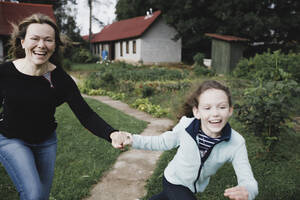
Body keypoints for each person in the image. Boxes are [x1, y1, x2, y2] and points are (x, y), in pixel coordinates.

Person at [0, 13, 123, 200]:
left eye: (48, 40)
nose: (41, 45)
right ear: (23, 42)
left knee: (41, 197)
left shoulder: (60, 79)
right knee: (34, 194)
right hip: (11, 139)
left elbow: (86, 114)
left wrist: (111, 133)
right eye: (35, 39)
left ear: (54, 45)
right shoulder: (5, 73)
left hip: (46, 142)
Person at [114, 80, 258, 200]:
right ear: (197, 112)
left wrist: (248, 190)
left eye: (221, 107)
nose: (215, 113)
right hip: (173, 179)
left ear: (230, 110)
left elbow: (248, 179)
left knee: (166, 197)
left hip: (192, 187)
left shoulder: (236, 143)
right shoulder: (186, 126)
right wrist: (132, 139)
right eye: (207, 108)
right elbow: (162, 141)